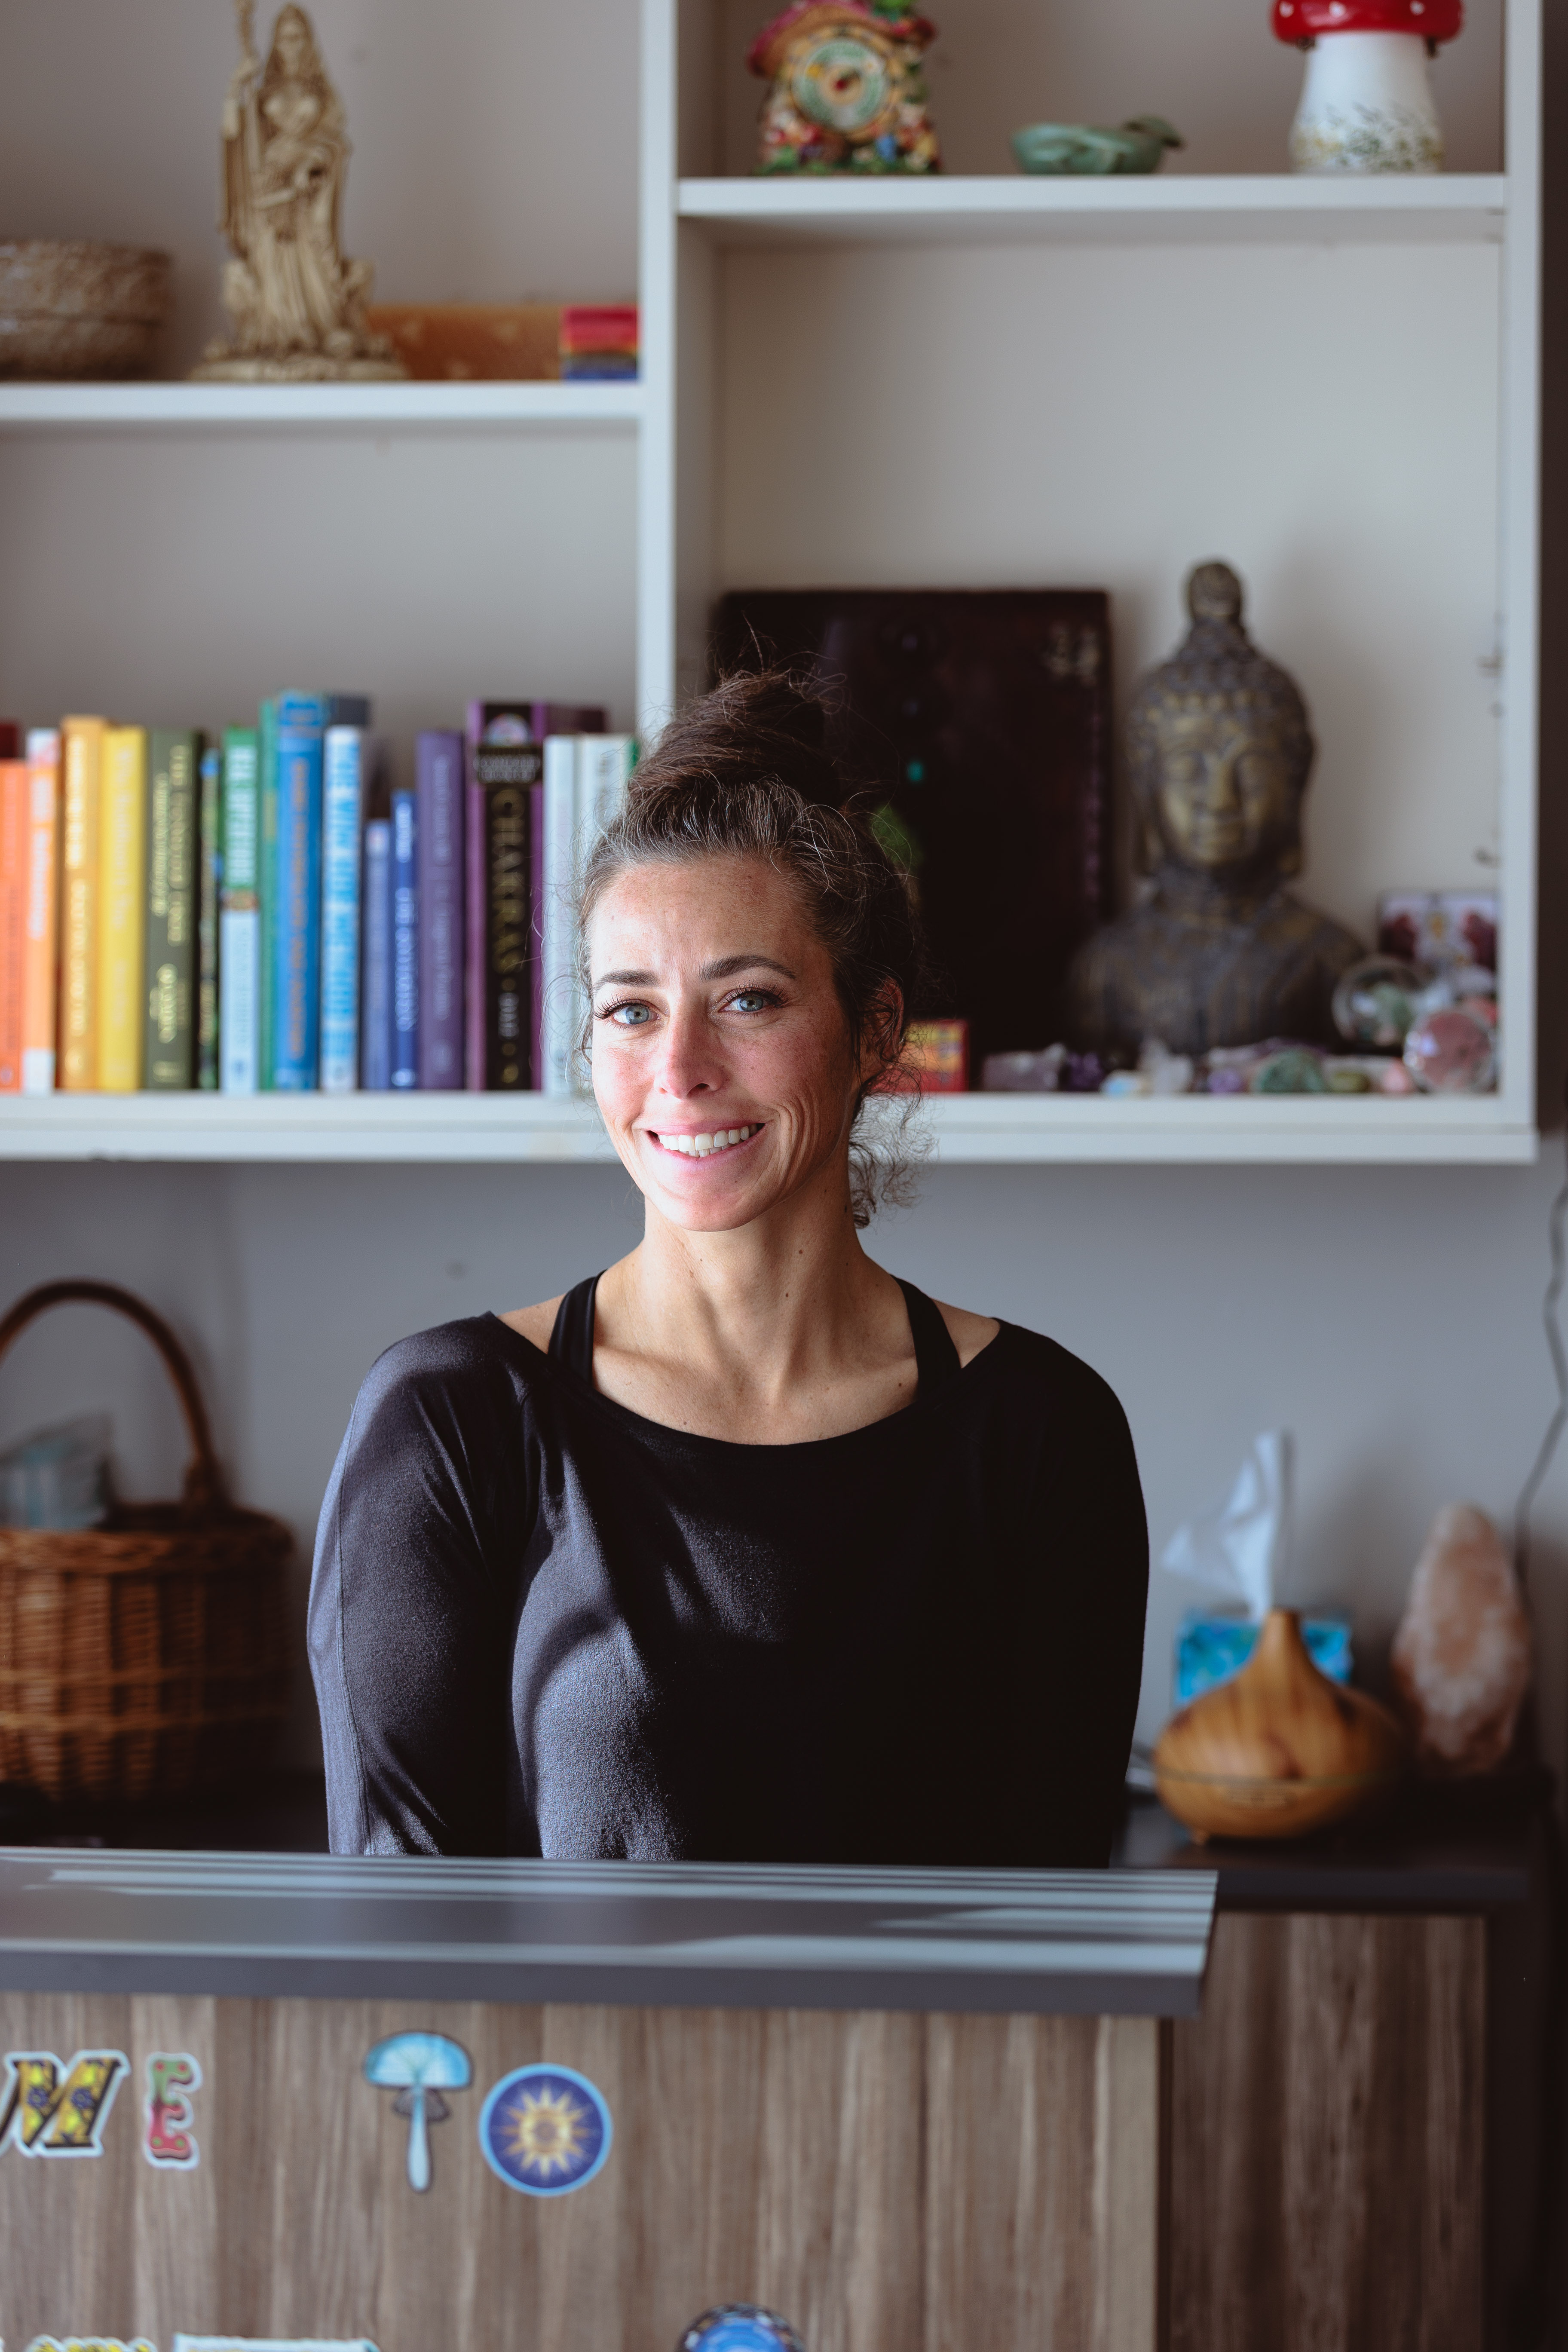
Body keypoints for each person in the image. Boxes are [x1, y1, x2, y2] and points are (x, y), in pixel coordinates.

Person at [309, 673, 1148, 1863]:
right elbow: (396, 1968)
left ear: (875, 1030)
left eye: (747, 999)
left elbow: (1048, 1945)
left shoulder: (1039, 1435)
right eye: (632, 1011)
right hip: (568, 2063)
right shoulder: (452, 1425)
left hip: (922, 2060)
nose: (681, 1070)